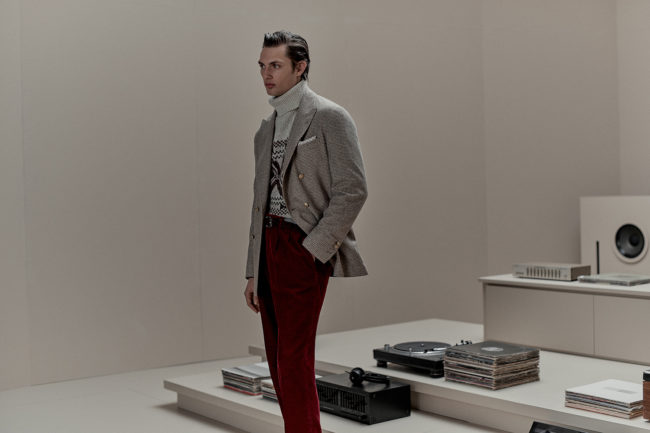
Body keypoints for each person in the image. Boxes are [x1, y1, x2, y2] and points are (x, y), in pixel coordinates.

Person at [243, 30, 368, 433]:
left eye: (276, 65)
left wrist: (313, 248)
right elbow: (259, 202)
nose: (266, 74)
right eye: (262, 66)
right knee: (278, 359)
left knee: (294, 358)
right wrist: (252, 270)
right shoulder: (266, 128)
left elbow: (353, 190)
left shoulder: (330, 116)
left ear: (301, 67)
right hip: (269, 245)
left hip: (302, 245)